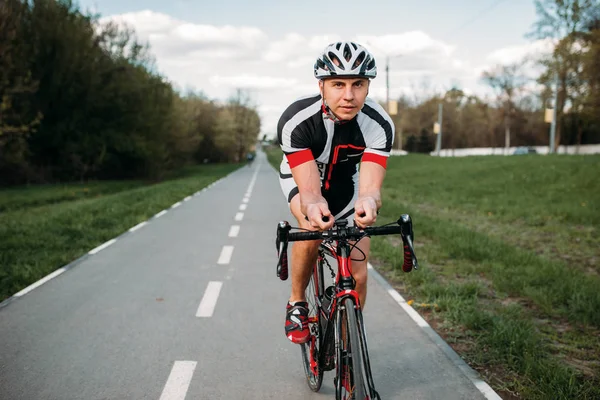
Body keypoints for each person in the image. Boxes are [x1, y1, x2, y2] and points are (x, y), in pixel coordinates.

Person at [277, 41, 395, 344]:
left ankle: (347, 346)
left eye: (358, 84)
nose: (348, 95)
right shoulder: (297, 120)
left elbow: (369, 188)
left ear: (368, 87)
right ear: (322, 86)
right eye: (338, 84)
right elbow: (312, 195)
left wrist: (369, 202)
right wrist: (313, 206)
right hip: (304, 174)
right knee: (312, 223)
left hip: (346, 179)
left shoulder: (379, 123)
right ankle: (297, 303)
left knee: (359, 273)